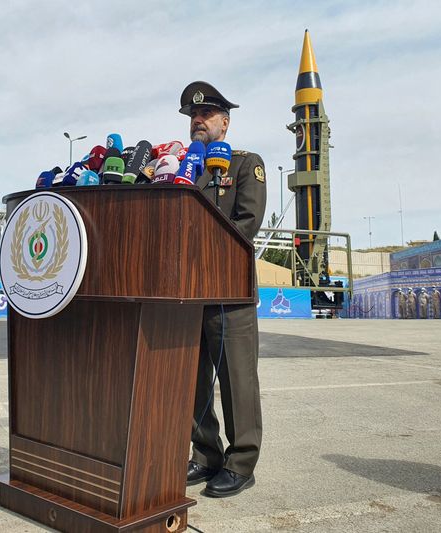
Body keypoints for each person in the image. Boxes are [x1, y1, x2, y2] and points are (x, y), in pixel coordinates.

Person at [180, 81, 266, 498]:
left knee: (236, 380)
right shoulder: (183, 169)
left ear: (224, 124)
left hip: (229, 292)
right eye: (193, 116)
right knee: (192, 380)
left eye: (206, 115)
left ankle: (241, 462)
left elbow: (247, 225)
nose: (197, 120)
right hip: (185, 294)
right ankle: (206, 454)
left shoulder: (246, 165)